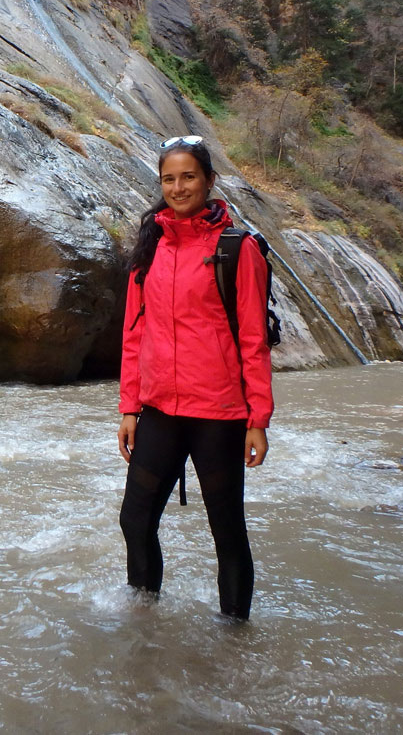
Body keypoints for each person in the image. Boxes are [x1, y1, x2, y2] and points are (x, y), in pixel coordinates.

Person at [116, 135, 274, 621]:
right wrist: (128, 406)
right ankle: (144, 621)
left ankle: (235, 637)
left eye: (188, 176)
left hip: (219, 414)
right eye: (169, 178)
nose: (179, 187)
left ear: (208, 180)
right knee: (135, 518)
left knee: (226, 530)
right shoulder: (151, 248)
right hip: (160, 409)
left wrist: (258, 419)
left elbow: (253, 338)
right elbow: (133, 335)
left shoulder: (237, 249)